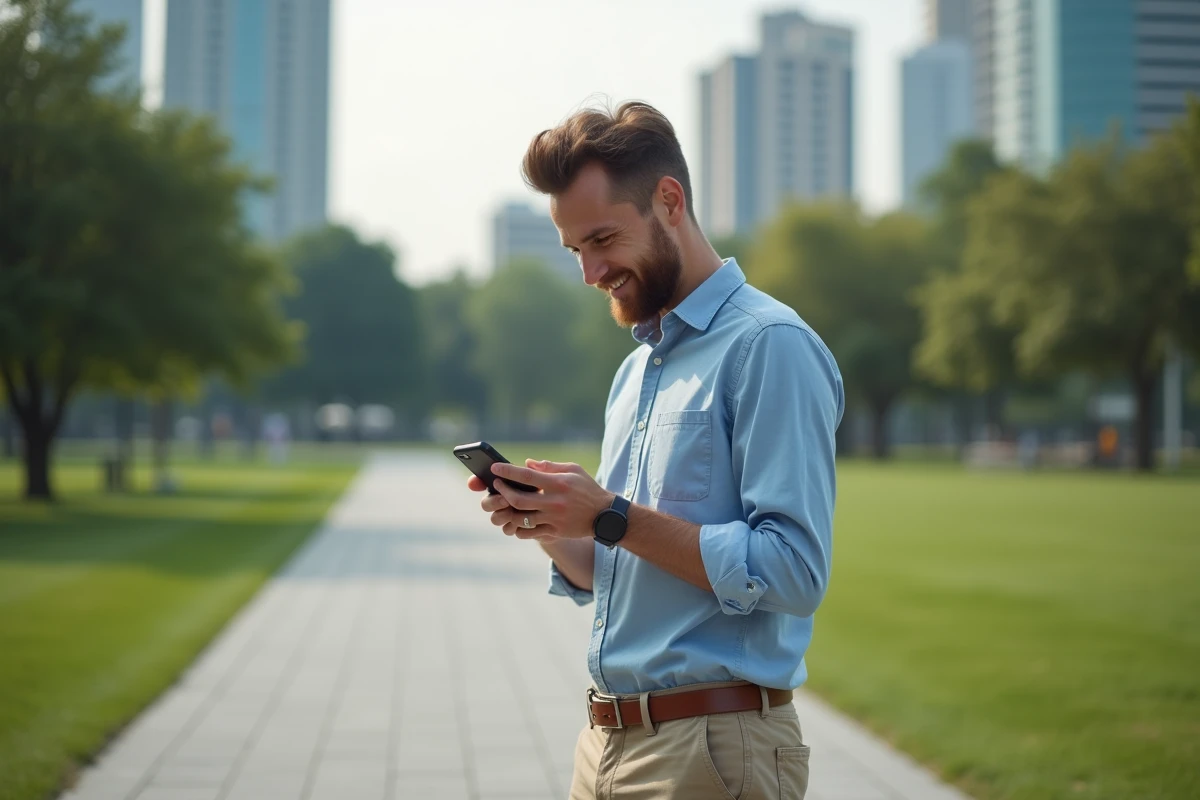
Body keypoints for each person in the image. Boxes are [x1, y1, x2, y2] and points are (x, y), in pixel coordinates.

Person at [466, 101, 844, 800]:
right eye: (575, 249)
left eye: (603, 239)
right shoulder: (636, 371)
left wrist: (610, 515)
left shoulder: (769, 345)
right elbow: (619, 568)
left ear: (669, 201)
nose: (590, 272)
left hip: (714, 753)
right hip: (606, 745)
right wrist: (553, 525)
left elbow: (794, 572)